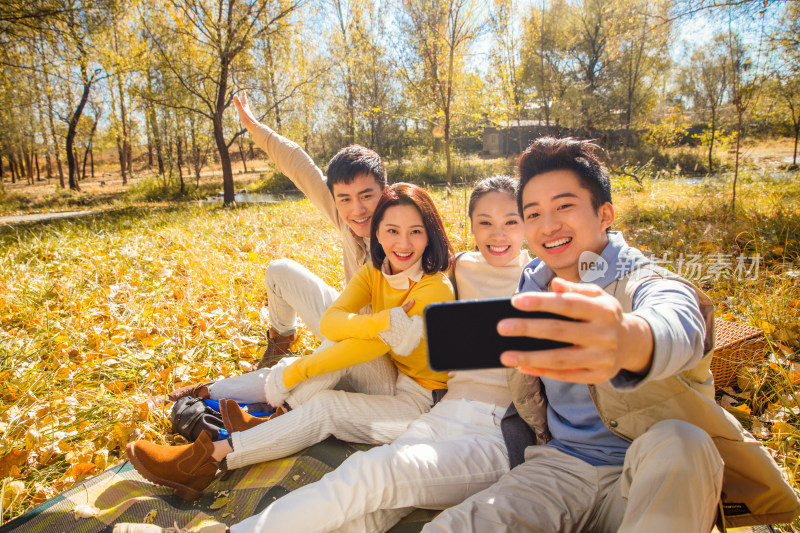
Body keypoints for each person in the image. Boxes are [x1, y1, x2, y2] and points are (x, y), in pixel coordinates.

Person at [422, 137, 800, 532]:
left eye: (564, 206)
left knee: (684, 442)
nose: (548, 226)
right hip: (558, 470)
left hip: (649, 475)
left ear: (605, 214)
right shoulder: (531, 286)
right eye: (532, 214)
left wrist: (627, 338)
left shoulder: (644, 279)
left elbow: (678, 319)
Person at [226, 175, 531, 533]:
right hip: (444, 413)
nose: (498, 235)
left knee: (372, 473)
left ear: (527, 222)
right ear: (471, 227)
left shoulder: (543, 281)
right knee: (375, 511)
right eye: (485, 223)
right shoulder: (460, 267)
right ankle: (250, 412)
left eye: (511, 221)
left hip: (494, 431)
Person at [126, 183, 455, 502]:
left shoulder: (434, 288)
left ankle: (208, 459)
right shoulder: (374, 273)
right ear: (377, 233)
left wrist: (298, 371)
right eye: (392, 230)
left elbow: (369, 346)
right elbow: (332, 322)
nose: (404, 242)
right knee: (341, 345)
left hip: (421, 404)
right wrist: (383, 320)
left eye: (416, 231)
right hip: (391, 376)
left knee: (327, 402)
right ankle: (271, 416)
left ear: (430, 233)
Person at [237, 91, 386, 369]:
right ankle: (281, 343)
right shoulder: (345, 215)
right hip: (348, 324)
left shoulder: (404, 232)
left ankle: (232, 392)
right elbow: (301, 166)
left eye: (367, 196)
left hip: (381, 354)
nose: (358, 210)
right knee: (279, 271)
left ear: (384, 192)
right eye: (345, 199)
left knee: (306, 375)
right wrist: (258, 130)